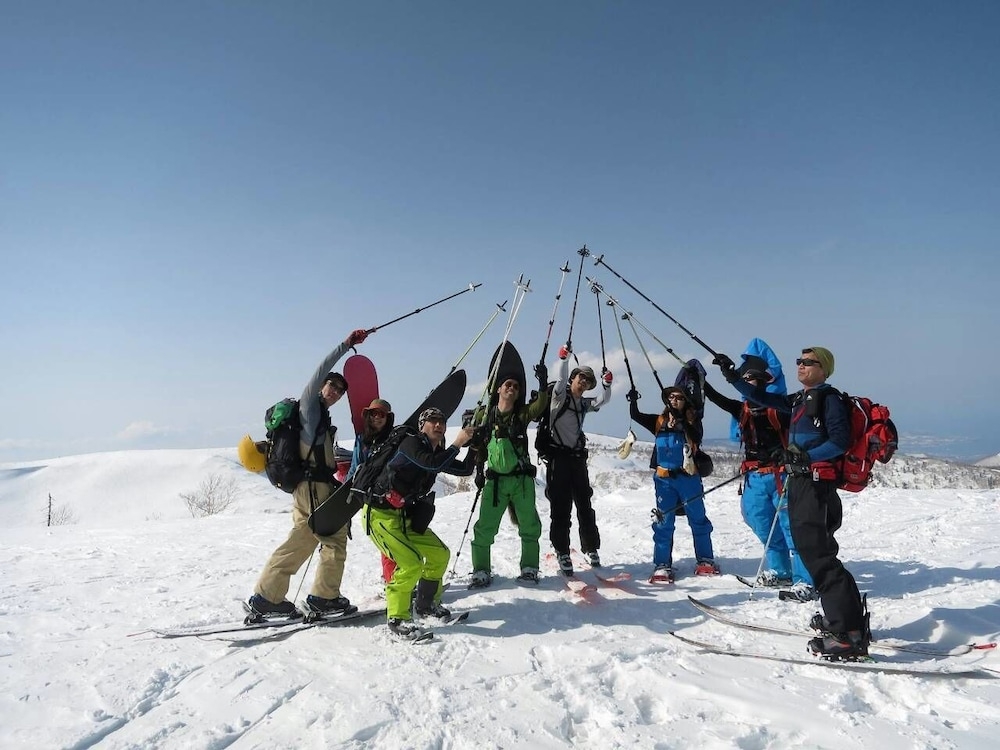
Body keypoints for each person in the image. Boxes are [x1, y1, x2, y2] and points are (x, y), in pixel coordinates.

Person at [714, 346, 870, 659]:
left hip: (816, 485)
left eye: (808, 362)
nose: (800, 366)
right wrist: (732, 378)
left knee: (819, 557)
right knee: (817, 554)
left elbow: (839, 442)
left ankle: (847, 634)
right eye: (798, 361)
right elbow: (763, 399)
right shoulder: (798, 400)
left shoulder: (830, 399)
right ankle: (845, 621)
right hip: (800, 482)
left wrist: (804, 456)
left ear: (824, 369)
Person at [247, 328, 369, 619]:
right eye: (332, 386)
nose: (335, 392)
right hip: (313, 488)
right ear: (321, 387)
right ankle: (322, 598)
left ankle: (268, 596)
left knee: (303, 538)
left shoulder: (320, 417)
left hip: (311, 487)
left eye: (340, 391)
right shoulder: (309, 408)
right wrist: (346, 344)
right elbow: (318, 372)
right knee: (332, 538)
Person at [704, 344, 816, 600]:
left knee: (793, 528)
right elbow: (715, 397)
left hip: (781, 476)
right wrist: (699, 377)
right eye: (745, 379)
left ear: (765, 382)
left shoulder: (780, 407)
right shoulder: (740, 409)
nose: (749, 384)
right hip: (754, 477)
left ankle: (805, 581)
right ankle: (780, 570)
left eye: (753, 379)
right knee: (762, 523)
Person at [361, 407, 477, 640]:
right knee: (411, 564)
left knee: (439, 554)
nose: (438, 424)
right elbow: (431, 464)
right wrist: (457, 443)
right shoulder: (411, 443)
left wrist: (473, 445)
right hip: (380, 516)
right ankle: (398, 618)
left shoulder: (434, 451)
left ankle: (426, 605)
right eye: (432, 420)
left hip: (404, 518)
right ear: (422, 425)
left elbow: (464, 469)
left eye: (441, 420)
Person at [469, 366, 549, 587]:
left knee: (529, 525)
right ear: (498, 390)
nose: (512, 388)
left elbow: (540, 406)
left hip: (521, 480)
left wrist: (543, 384)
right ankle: (481, 570)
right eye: (508, 385)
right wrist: (478, 471)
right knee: (485, 526)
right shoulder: (484, 415)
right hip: (494, 482)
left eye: (516, 386)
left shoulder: (521, 414)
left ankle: (530, 568)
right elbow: (478, 446)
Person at [629, 385, 719, 582]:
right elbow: (635, 415)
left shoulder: (693, 421)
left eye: (679, 397)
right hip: (664, 480)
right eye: (671, 397)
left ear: (685, 401)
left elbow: (696, 437)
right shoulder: (659, 421)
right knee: (663, 522)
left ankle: (705, 560)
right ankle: (662, 565)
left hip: (689, 478)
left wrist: (682, 422)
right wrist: (634, 400)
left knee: (698, 518)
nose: (675, 400)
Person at [545, 343, 612, 576]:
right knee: (561, 506)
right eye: (581, 379)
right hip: (558, 458)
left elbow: (603, 401)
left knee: (585, 505)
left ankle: (590, 547)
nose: (583, 383)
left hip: (577, 460)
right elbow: (561, 381)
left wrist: (607, 384)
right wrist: (563, 359)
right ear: (573, 378)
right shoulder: (558, 396)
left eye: (587, 382)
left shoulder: (583, 403)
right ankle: (562, 551)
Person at [347, 398, 398, 584]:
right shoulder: (362, 439)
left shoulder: (394, 438)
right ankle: (392, 580)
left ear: (387, 418)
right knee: (387, 541)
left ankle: (399, 578)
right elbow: (355, 467)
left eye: (381, 414)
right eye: (374, 414)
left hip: (393, 495)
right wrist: (346, 491)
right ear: (368, 416)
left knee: (398, 539)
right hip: (372, 498)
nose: (377, 418)